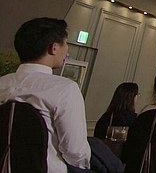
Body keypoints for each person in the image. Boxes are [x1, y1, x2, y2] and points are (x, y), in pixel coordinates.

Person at [0, 17, 91, 173]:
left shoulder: (2, 83)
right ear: (54, 48)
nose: (67, 50)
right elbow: (76, 153)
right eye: (66, 43)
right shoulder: (65, 89)